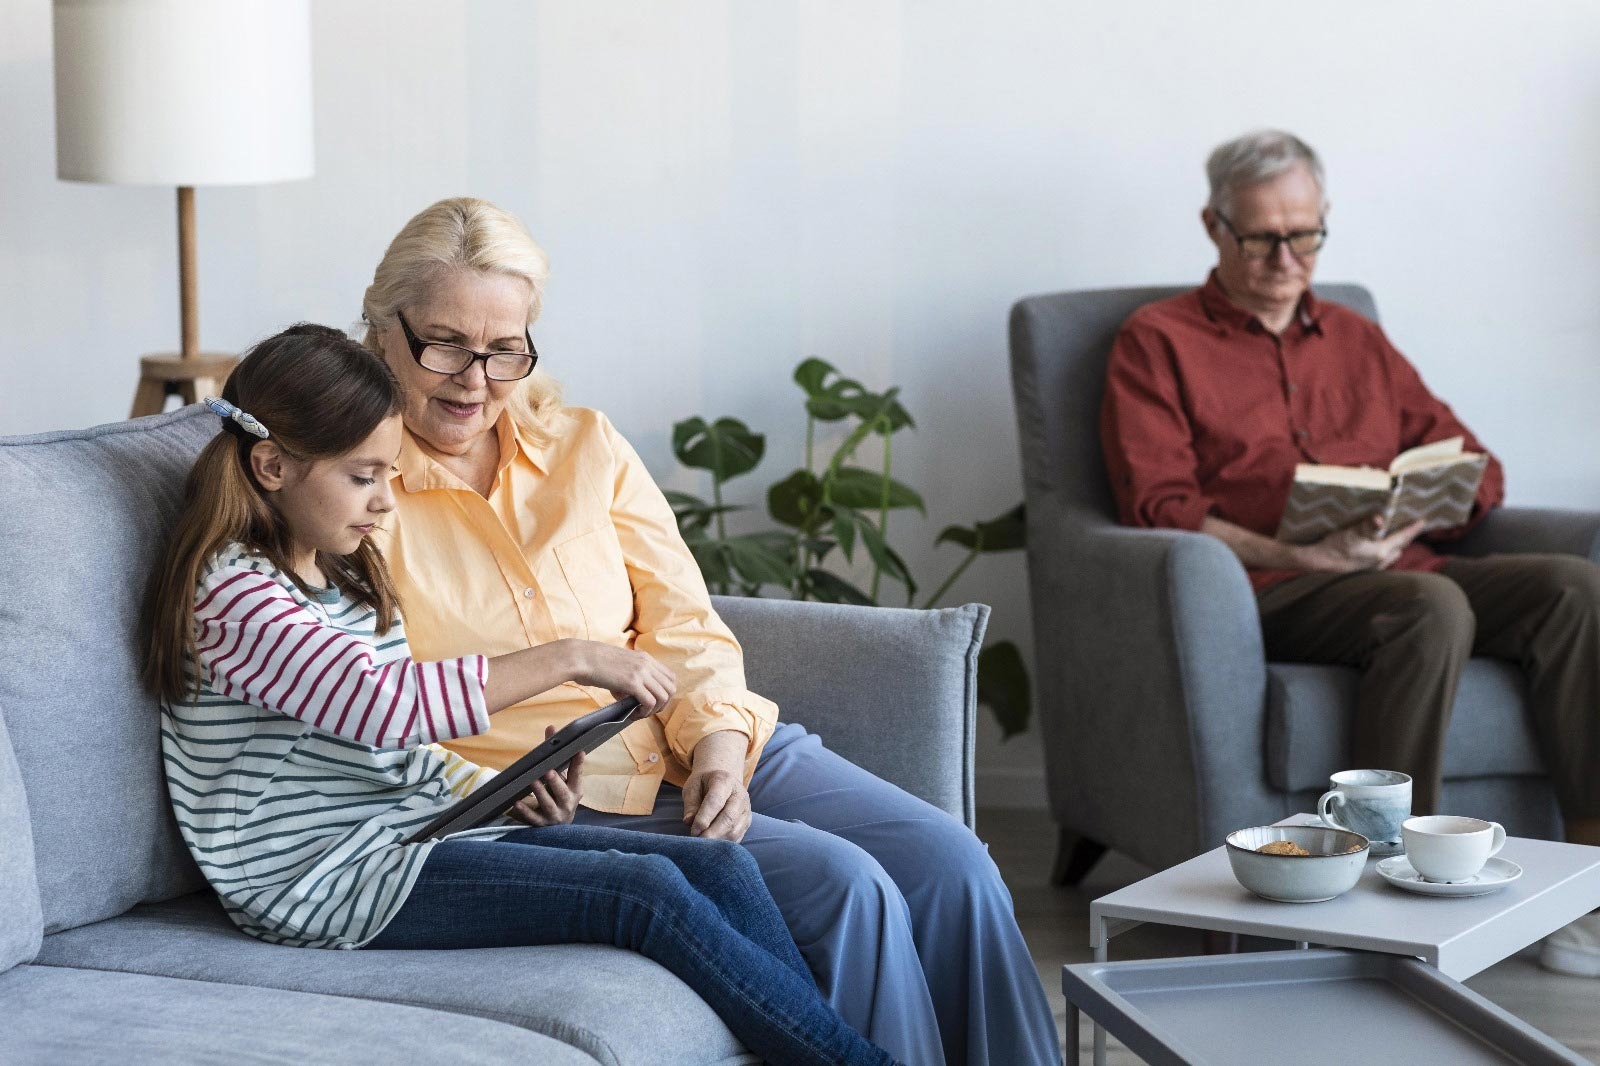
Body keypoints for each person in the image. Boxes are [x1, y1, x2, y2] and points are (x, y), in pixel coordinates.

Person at [359, 197, 1060, 1066]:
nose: (475, 379)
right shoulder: (356, 489)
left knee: (952, 863)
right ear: (379, 326)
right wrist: (494, 795)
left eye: (506, 350)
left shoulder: (585, 445)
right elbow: (374, 696)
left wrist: (723, 746)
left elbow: (684, 620)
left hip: (705, 736)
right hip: (573, 796)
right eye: (444, 344)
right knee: (850, 889)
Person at [143, 323, 897, 1066]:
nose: (384, 502)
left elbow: (395, 759)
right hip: (327, 876)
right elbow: (382, 707)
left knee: (723, 867)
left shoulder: (333, 569)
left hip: (410, 833)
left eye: (388, 474)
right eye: (363, 476)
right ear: (272, 465)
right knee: (644, 892)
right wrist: (572, 657)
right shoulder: (235, 594)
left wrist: (502, 794)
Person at [1098, 128, 1600, 975]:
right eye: (1261, 237)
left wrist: (1413, 515)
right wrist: (1305, 550)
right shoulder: (1158, 341)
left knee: (1574, 586)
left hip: (1394, 564)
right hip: (1266, 587)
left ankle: (1588, 871)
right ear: (1214, 225)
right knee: (1430, 607)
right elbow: (1157, 503)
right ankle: (1396, 887)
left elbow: (1474, 462)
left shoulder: (1356, 338)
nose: (1286, 258)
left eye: (1305, 235)